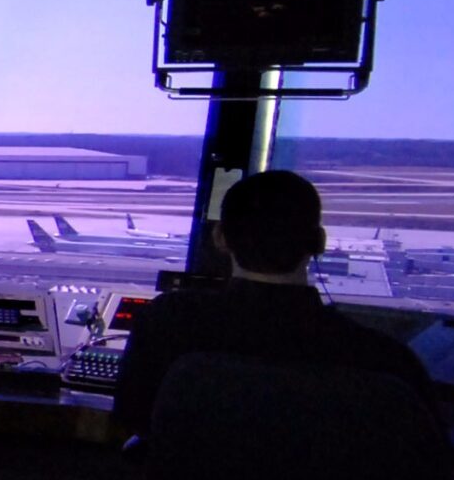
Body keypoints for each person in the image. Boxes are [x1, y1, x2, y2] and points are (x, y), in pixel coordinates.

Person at [112, 168, 436, 437]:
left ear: (220, 238)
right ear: (319, 242)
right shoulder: (383, 360)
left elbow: (131, 417)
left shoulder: (166, 323)